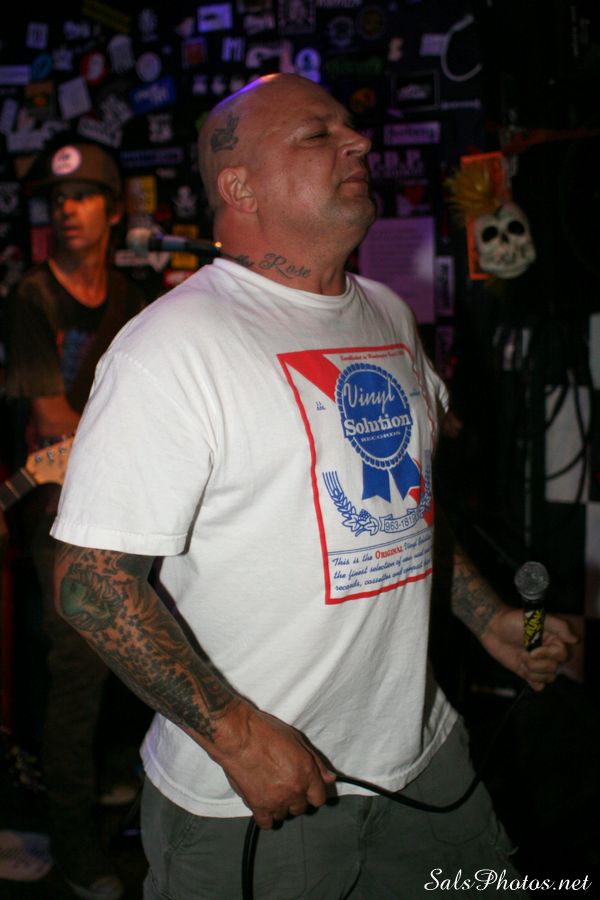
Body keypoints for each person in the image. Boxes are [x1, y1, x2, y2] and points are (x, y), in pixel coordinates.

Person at [50, 75, 576, 899]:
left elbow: (409, 507)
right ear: (240, 186)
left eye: (349, 127)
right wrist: (236, 734)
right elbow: (89, 583)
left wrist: (489, 619)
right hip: (258, 796)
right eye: (316, 134)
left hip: (423, 759)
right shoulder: (171, 347)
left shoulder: (387, 313)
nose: (358, 141)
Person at [5, 141, 146, 900]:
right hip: (58, 505)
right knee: (79, 658)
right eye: (58, 199)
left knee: (156, 628)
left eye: (85, 196)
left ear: (114, 210)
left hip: (127, 492)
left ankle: (115, 769)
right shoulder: (31, 297)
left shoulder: (134, 297)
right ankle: (71, 838)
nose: (67, 209)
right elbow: (54, 420)